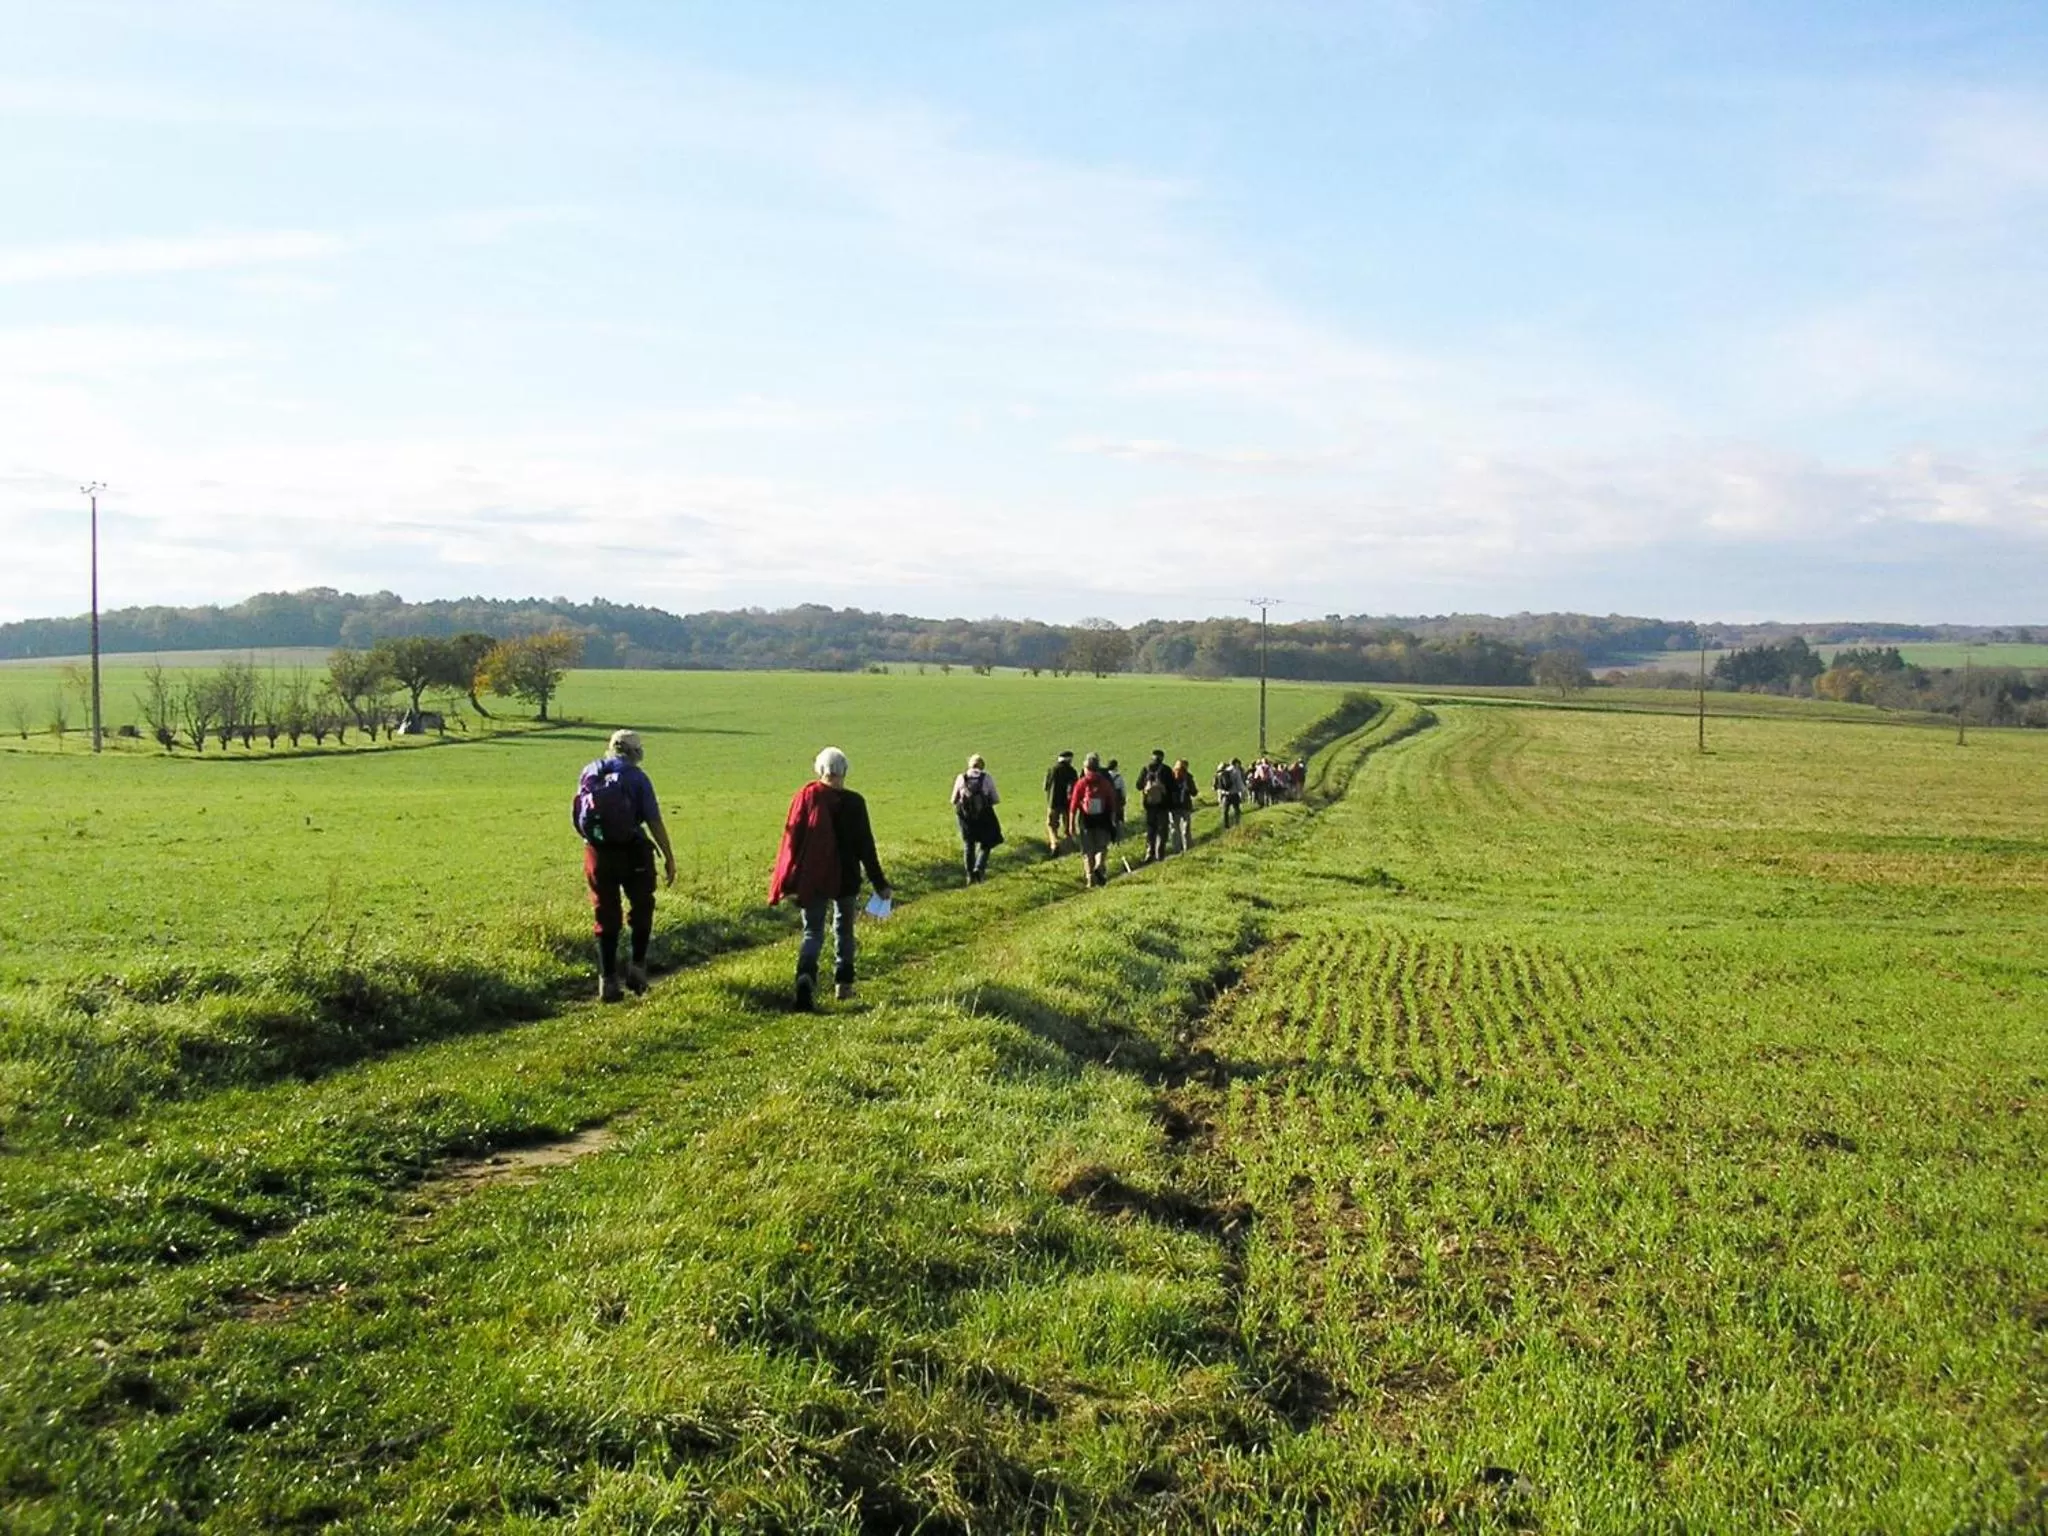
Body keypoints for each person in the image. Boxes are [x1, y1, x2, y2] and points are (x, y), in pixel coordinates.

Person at [769, 746, 892, 1009]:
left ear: (820, 770)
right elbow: (865, 847)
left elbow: (792, 840)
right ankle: (843, 985)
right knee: (844, 929)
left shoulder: (807, 797)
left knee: (812, 931)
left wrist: (790, 878)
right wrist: (879, 883)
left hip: (814, 876)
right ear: (844, 771)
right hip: (846, 877)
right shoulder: (855, 803)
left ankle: (805, 975)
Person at [571, 728, 677, 1003]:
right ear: (635, 752)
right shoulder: (637, 778)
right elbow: (653, 820)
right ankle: (637, 969)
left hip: (597, 853)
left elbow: (579, 814)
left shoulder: (589, 771)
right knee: (642, 907)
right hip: (632, 852)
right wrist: (668, 856)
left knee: (605, 913)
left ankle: (606, 980)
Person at [1067, 751, 1119, 887]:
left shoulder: (1081, 783)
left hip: (1086, 821)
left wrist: (1071, 824)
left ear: (1086, 768)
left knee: (1087, 850)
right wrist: (1113, 819)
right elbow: (1112, 802)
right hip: (1102, 820)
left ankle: (1090, 878)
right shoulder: (1104, 782)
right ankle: (1099, 865)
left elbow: (1073, 804)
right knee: (1101, 847)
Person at [951, 753, 1003, 883]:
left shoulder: (961, 778)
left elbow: (953, 800)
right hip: (983, 816)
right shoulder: (986, 778)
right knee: (988, 841)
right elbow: (995, 799)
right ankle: (979, 868)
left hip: (965, 817)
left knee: (969, 844)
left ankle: (969, 875)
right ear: (982, 766)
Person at [1134, 748, 1174, 862]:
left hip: (1149, 805)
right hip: (1163, 805)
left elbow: (1138, 785)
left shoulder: (1145, 769)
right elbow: (1173, 787)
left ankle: (1149, 852)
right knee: (1162, 830)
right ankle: (1159, 853)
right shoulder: (1166, 769)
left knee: (1151, 829)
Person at [1043, 750, 1079, 853]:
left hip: (1053, 802)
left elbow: (1045, 786)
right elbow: (1075, 787)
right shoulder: (1072, 771)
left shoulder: (1051, 769)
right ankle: (1070, 847)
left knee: (1051, 825)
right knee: (1068, 826)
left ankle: (1054, 844)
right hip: (1067, 803)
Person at [1169, 757, 1199, 853]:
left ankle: (1177, 849)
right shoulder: (1188, 777)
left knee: (1175, 829)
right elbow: (1194, 792)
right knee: (1185, 829)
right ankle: (1187, 848)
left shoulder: (1170, 776)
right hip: (1185, 806)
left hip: (1173, 806)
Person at [1215, 758, 1244, 829]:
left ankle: (1226, 826)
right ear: (1236, 763)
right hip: (1234, 793)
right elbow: (1239, 783)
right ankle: (1237, 824)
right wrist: (1242, 793)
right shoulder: (1236, 771)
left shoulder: (1224, 771)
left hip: (1225, 794)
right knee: (1236, 809)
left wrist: (1220, 796)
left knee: (1225, 811)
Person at [1105, 757, 1128, 842]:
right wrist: (1124, 799)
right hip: (1117, 801)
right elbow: (1123, 790)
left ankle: (1109, 838)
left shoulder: (1105, 776)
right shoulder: (1119, 777)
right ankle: (1119, 837)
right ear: (1115, 766)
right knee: (1118, 820)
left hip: (1107, 801)